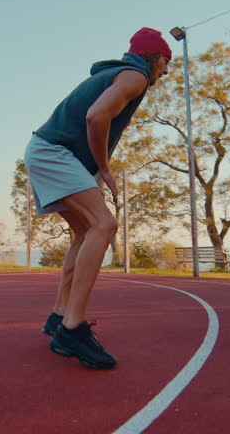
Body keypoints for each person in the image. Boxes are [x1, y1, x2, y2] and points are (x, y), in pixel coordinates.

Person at [24, 27, 171, 369]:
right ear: (157, 57)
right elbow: (96, 116)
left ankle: (59, 316)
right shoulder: (136, 76)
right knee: (104, 225)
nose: (166, 72)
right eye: (166, 63)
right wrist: (104, 169)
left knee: (85, 231)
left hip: (48, 150)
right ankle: (72, 329)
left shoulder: (116, 73)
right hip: (54, 152)